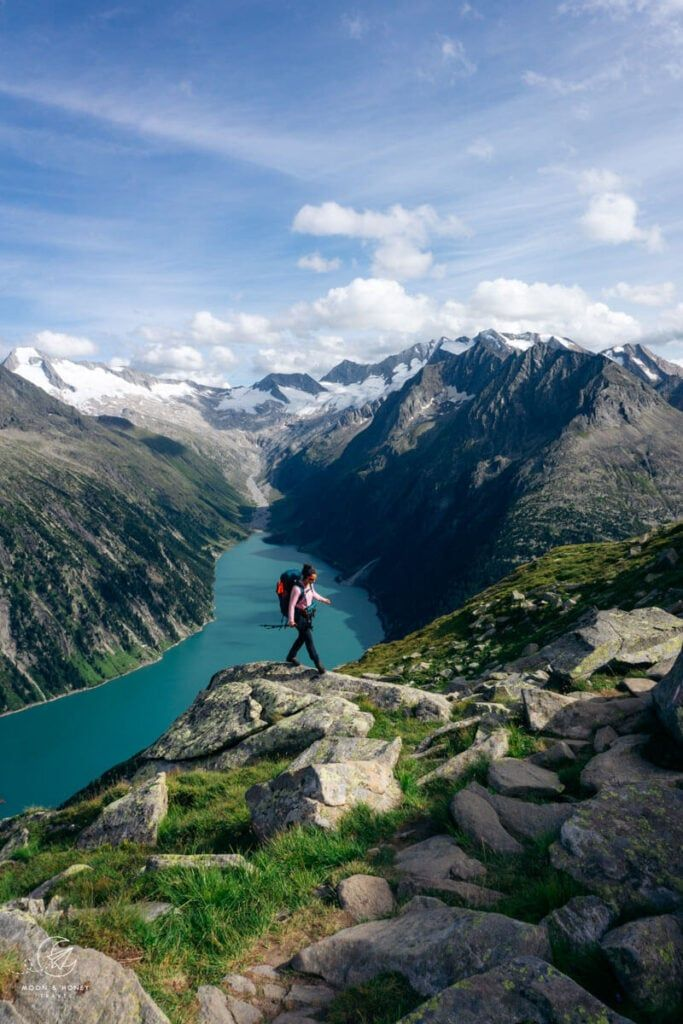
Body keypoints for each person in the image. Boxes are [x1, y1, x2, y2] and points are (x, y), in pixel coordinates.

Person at [286, 563, 332, 674]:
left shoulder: (310, 585)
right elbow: (291, 605)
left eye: (315, 579)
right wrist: (291, 620)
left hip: (306, 615)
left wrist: (323, 600)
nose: (314, 581)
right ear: (306, 577)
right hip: (298, 616)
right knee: (308, 639)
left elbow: (313, 593)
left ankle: (291, 656)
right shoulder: (297, 589)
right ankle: (318, 663)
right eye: (312, 579)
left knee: (302, 637)